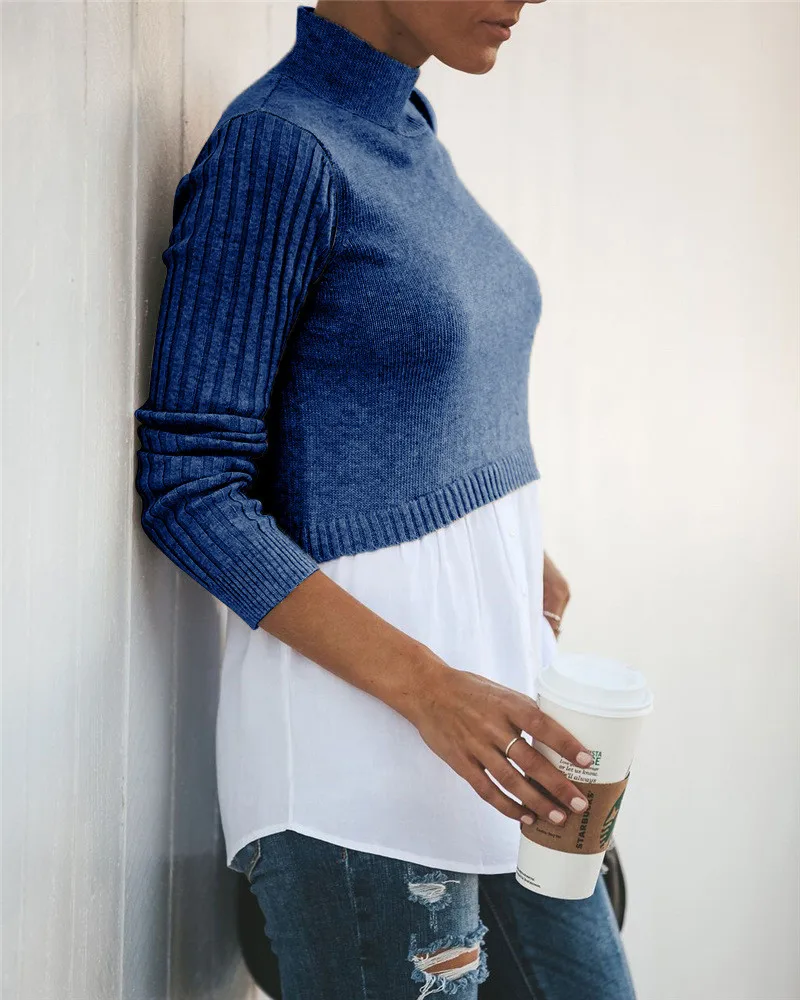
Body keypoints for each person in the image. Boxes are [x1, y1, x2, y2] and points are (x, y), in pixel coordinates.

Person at [133, 2, 638, 996]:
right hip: (363, 768)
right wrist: (431, 688)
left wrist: (507, 550)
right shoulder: (280, 147)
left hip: (494, 735)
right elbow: (190, 484)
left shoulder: (402, 129)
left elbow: (379, 408)